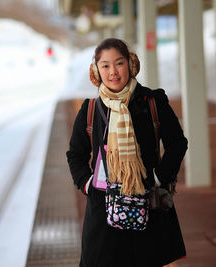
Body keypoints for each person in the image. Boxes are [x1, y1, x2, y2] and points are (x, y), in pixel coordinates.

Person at [66, 38, 188, 267]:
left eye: (119, 63)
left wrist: (158, 178)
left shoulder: (153, 102)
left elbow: (177, 143)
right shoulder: (90, 109)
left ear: (130, 65)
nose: (113, 72)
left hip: (147, 203)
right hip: (103, 211)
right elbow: (75, 155)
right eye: (105, 65)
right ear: (96, 71)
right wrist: (87, 185)